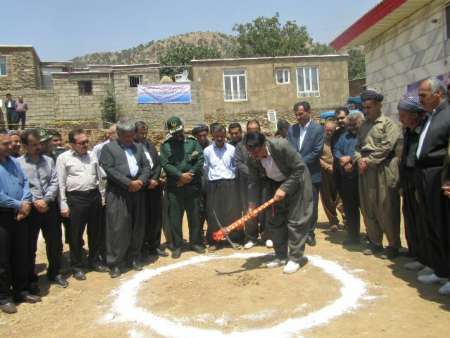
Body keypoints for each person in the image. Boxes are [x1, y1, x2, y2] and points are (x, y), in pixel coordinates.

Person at [245, 132, 313, 274]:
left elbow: (300, 167)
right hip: (273, 185)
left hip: (296, 183)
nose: (254, 156)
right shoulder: (252, 157)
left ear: (264, 144)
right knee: (275, 221)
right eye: (250, 152)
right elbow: (253, 181)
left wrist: (285, 188)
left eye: (256, 152)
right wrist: (251, 204)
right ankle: (281, 255)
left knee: (296, 222)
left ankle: (295, 258)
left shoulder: (281, 146)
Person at [100, 119, 151, 278]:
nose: (130, 139)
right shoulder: (108, 148)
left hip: (138, 191)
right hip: (119, 193)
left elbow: (146, 167)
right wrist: (128, 183)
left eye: (132, 135)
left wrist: (141, 181)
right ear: (119, 134)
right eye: (127, 136)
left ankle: (134, 257)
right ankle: (115, 262)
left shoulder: (139, 147)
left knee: (137, 225)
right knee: (118, 227)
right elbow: (109, 169)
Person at [18, 129, 68, 290]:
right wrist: (34, 201)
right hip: (31, 210)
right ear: (24, 146)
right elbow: (21, 185)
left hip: (49, 207)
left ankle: (54, 272)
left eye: (39, 143)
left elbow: (55, 182)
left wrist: (46, 200)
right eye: (33, 145)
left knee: (55, 242)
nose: (37, 147)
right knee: (29, 245)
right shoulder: (18, 164)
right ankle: (31, 278)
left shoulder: (48, 160)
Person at [354, 89, 401, 259]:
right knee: (368, 207)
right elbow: (357, 146)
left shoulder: (388, 124)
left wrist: (369, 160)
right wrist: (359, 159)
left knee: (386, 207)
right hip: (365, 171)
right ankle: (375, 242)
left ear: (379, 106)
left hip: (382, 169)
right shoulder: (364, 126)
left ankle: (393, 245)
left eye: (369, 107)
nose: (366, 110)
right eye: (364, 108)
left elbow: (387, 147)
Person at [56, 127, 106, 280]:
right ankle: (77, 265)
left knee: (96, 231)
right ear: (72, 144)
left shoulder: (92, 156)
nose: (85, 145)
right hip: (75, 199)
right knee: (75, 234)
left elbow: (100, 177)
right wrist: (63, 204)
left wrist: (102, 197)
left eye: (86, 142)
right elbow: (61, 183)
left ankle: (94, 260)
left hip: (94, 197)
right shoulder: (63, 158)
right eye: (81, 143)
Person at [415, 77, 450, 294]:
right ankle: (441, 270)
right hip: (425, 174)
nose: (420, 100)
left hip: (440, 174)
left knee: (445, 225)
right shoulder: (432, 116)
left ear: (438, 94)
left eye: (423, 95)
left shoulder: (447, 115)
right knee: (432, 224)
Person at [0, 130, 41, 314]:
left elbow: (25, 183)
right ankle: (3, 296)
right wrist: (19, 204)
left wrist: (24, 203)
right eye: (6, 144)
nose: (11, 146)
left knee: (21, 254)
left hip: (21, 214)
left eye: (11, 143)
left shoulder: (15, 163)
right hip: (3, 216)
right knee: (3, 258)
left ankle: (20, 290)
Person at [160, 116, 205, 259]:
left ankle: (195, 243)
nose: (177, 135)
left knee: (194, 216)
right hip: (175, 188)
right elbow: (166, 164)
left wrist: (189, 175)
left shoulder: (192, 142)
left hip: (192, 187)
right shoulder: (166, 145)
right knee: (175, 218)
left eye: (179, 131)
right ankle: (177, 246)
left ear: (183, 128)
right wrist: (180, 176)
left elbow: (200, 159)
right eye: (174, 132)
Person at [397, 97, 429, 272]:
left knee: (423, 220)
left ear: (415, 115)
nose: (401, 119)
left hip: (420, 179)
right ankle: (418, 255)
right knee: (411, 219)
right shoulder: (408, 131)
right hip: (408, 179)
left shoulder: (424, 130)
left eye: (404, 115)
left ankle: (430, 261)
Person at [287, 101, 324, 246]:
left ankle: (310, 232)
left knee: (311, 204)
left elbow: (317, 151)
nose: (298, 117)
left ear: (309, 112)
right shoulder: (292, 130)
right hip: (295, 174)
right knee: (297, 204)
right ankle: (299, 232)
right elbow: (289, 149)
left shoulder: (318, 129)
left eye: (300, 114)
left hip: (312, 173)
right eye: (296, 114)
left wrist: (299, 162)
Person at [204, 124, 242, 249]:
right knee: (214, 214)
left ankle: (235, 238)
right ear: (212, 136)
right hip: (214, 184)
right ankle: (215, 241)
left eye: (221, 136)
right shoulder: (207, 151)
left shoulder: (232, 149)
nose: (219, 139)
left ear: (225, 136)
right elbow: (206, 169)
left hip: (230, 183)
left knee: (233, 212)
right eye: (216, 136)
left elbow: (235, 167)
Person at [236, 120, 272, 249]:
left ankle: (267, 236)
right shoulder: (241, 146)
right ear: (247, 130)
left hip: (266, 181)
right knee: (249, 209)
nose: (253, 131)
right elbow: (239, 162)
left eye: (256, 129)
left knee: (266, 208)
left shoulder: (265, 143)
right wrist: (251, 173)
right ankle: (251, 237)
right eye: (250, 129)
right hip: (249, 182)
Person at [134, 121, 168, 258]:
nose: (143, 135)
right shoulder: (132, 148)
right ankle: (142, 248)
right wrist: (147, 181)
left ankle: (155, 245)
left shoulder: (150, 145)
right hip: (141, 188)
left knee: (156, 218)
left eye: (145, 133)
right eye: (141, 133)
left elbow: (158, 164)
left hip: (155, 187)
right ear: (134, 133)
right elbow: (135, 168)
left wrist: (155, 179)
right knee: (143, 219)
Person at [333, 111, 364, 245]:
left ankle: (373, 238)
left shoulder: (365, 134)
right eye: (350, 124)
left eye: (354, 124)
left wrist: (351, 159)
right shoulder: (343, 136)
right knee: (350, 209)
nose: (351, 127)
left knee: (367, 209)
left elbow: (366, 150)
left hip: (362, 177)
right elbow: (336, 150)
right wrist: (342, 159)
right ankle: (353, 236)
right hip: (346, 177)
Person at [319, 119, 344, 231]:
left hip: (339, 172)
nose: (329, 132)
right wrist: (327, 166)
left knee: (341, 196)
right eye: (327, 130)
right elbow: (317, 157)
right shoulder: (320, 142)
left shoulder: (339, 140)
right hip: (324, 173)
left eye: (331, 130)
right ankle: (333, 222)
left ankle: (346, 219)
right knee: (327, 198)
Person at [192, 123, 210, 234]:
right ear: (196, 136)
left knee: (211, 212)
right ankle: (198, 236)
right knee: (198, 212)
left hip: (211, 184)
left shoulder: (212, 146)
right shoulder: (191, 147)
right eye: (200, 136)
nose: (202, 138)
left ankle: (212, 236)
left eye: (204, 135)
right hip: (197, 184)